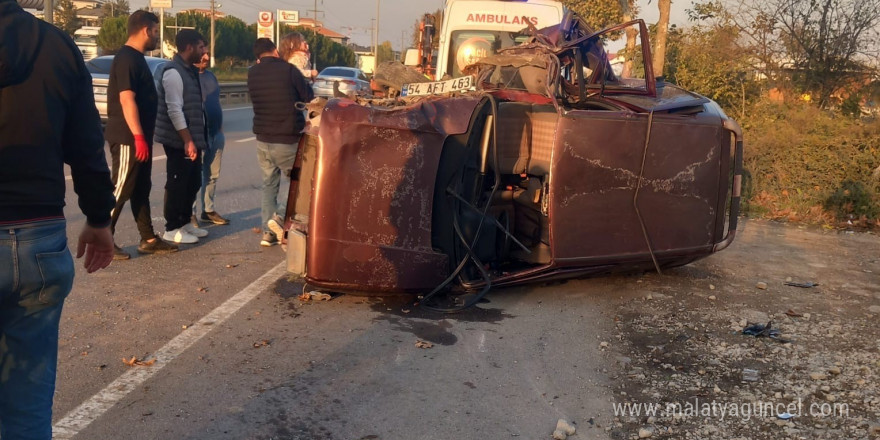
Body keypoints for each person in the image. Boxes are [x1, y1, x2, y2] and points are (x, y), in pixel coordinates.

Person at [0, 0, 116, 436]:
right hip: (40, 242)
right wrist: (99, 218)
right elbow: (86, 142)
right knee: (27, 404)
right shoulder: (56, 46)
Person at [105, 10, 178, 259]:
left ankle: (148, 238)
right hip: (127, 137)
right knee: (121, 187)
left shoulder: (137, 58)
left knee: (140, 188)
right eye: (156, 32)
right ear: (146, 30)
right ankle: (102, 238)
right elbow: (127, 99)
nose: (157, 37)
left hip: (140, 137)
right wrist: (137, 136)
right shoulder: (126, 58)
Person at [247, 38, 314, 246]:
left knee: (269, 185)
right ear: (275, 51)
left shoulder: (252, 73)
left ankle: (268, 233)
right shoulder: (289, 70)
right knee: (303, 182)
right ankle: (279, 217)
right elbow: (308, 97)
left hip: (263, 140)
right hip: (287, 139)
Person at [154, 29, 210, 244]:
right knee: (178, 182)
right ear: (189, 47)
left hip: (192, 138)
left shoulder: (189, 70)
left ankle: (185, 221)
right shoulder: (174, 72)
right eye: (201, 47)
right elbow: (174, 110)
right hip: (179, 140)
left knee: (193, 181)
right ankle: (172, 227)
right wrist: (187, 140)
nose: (204, 52)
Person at [191, 52, 230, 226]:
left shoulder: (211, 76)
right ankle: (189, 213)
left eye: (207, 53)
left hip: (216, 132)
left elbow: (216, 102)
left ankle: (208, 210)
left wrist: (220, 128)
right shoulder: (187, 77)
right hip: (198, 134)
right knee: (194, 175)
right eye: (202, 53)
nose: (206, 57)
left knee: (212, 174)